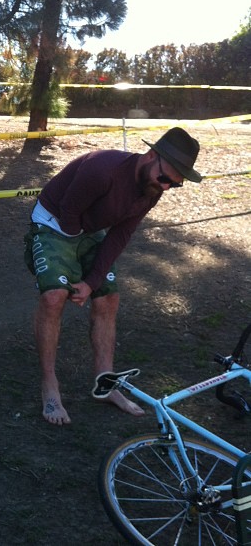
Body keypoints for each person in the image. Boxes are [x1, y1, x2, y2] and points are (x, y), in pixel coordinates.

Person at [23, 127, 202, 426]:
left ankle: (105, 384)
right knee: (55, 296)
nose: (167, 187)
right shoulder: (102, 169)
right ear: (151, 156)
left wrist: (91, 282)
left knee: (109, 298)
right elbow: (69, 213)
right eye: (165, 178)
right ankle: (49, 384)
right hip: (55, 221)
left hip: (88, 228)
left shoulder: (152, 190)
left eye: (175, 184)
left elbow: (120, 235)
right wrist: (72, 273)